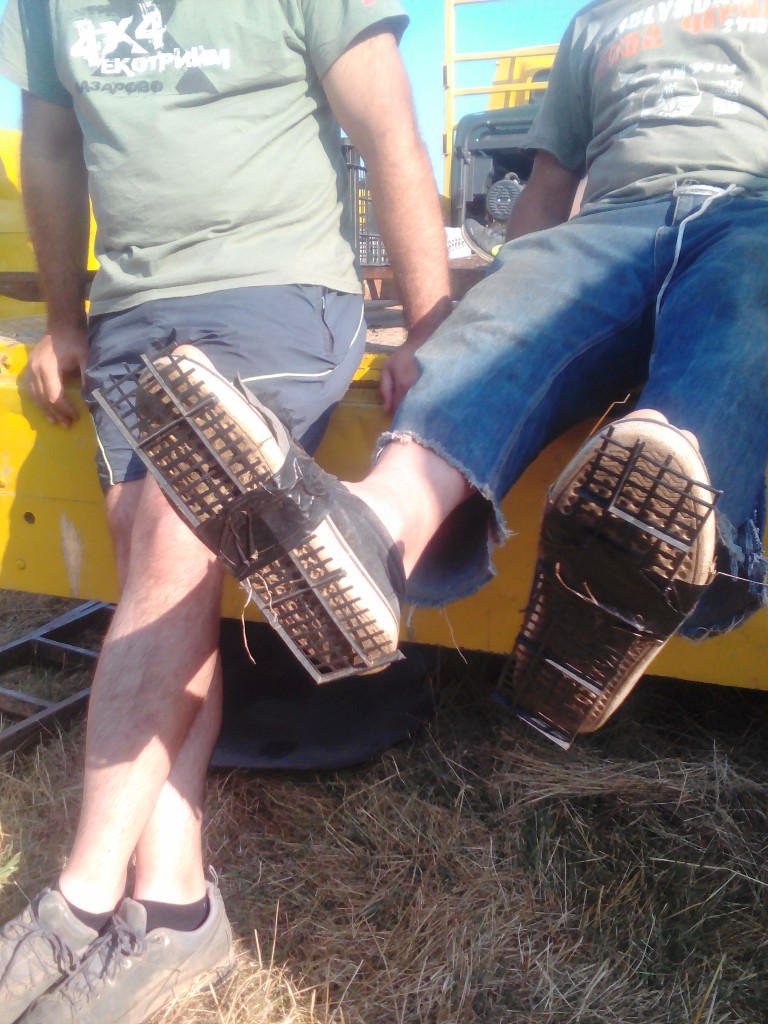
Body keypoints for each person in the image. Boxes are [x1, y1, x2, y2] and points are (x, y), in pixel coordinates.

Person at [110, 0, 768, 757]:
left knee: (745, 307)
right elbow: (550, 185)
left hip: (752, 213)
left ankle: (653, 521)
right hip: (613, 225)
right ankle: (376, 533)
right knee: (506, 317)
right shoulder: (596, 24)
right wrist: (509, 287)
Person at [0, 2, 451, 1022]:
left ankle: (76, 901)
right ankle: (176, 907)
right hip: (133, 310)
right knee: (153, 567)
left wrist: (434, 329)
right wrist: (65, 319)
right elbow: (54, 143)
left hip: (277, 292)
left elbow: (389, 125)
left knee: (175, 535)